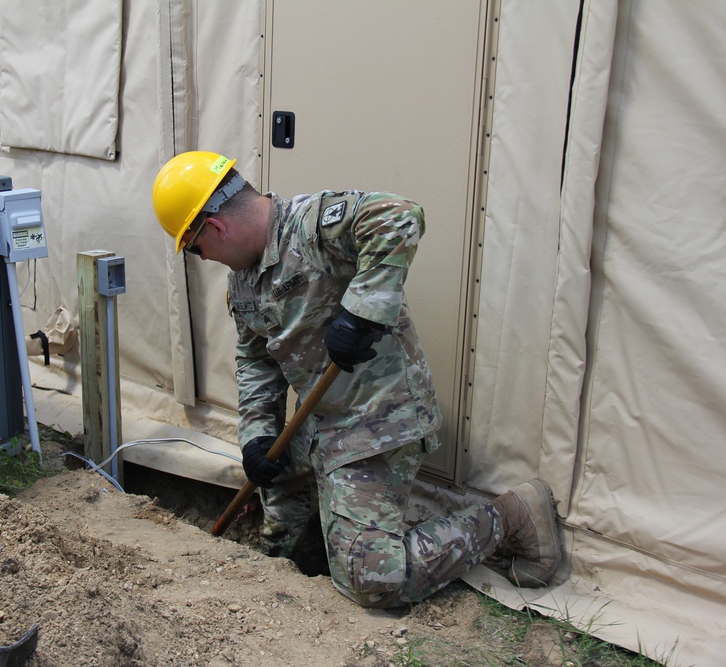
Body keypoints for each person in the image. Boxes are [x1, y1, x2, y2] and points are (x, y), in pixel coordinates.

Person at [151, 151, 562, 607]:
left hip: (379, 420)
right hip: (320, 422)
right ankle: (300, 562)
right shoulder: (242, 281)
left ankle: (511, 516)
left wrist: (362, 309)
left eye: (194, 247)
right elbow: (255, 362)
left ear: (214, 227)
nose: (203, 258)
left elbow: (400, 215)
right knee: (278, 516)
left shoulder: (311, 226)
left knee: (371, 582)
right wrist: (257, 436)